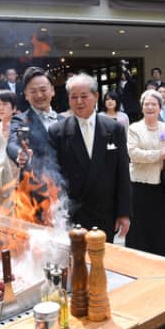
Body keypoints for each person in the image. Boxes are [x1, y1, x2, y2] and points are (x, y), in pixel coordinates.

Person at [49, 74, 132, 240]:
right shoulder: (58, 131)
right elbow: (53, 176)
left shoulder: (114, 128)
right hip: (72, 214)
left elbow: (122, 173)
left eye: (84, 96)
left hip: (104, 211)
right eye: (74, 97)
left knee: (103, 260)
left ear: (96, 97)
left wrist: (124, 213)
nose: (79, 101)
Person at [125, 89, 165, 260]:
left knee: (162, 226)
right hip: (140, 185)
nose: (150, 107)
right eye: (146, 104)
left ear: (159, 107)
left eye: (153, 104)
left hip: (160, 185)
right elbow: (133, 153)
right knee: (139, 227)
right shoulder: (134, 128)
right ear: (142, 107)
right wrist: (158, 154)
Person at [7, 67, 64, 177]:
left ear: (52, 90)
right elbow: (12, 143)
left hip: (65, 187)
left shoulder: (65, 121)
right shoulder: (20, 120)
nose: (39, 95)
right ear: (26, 95)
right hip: (34, 187)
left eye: (43, 90)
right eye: (33, 91)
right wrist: (20, 154)